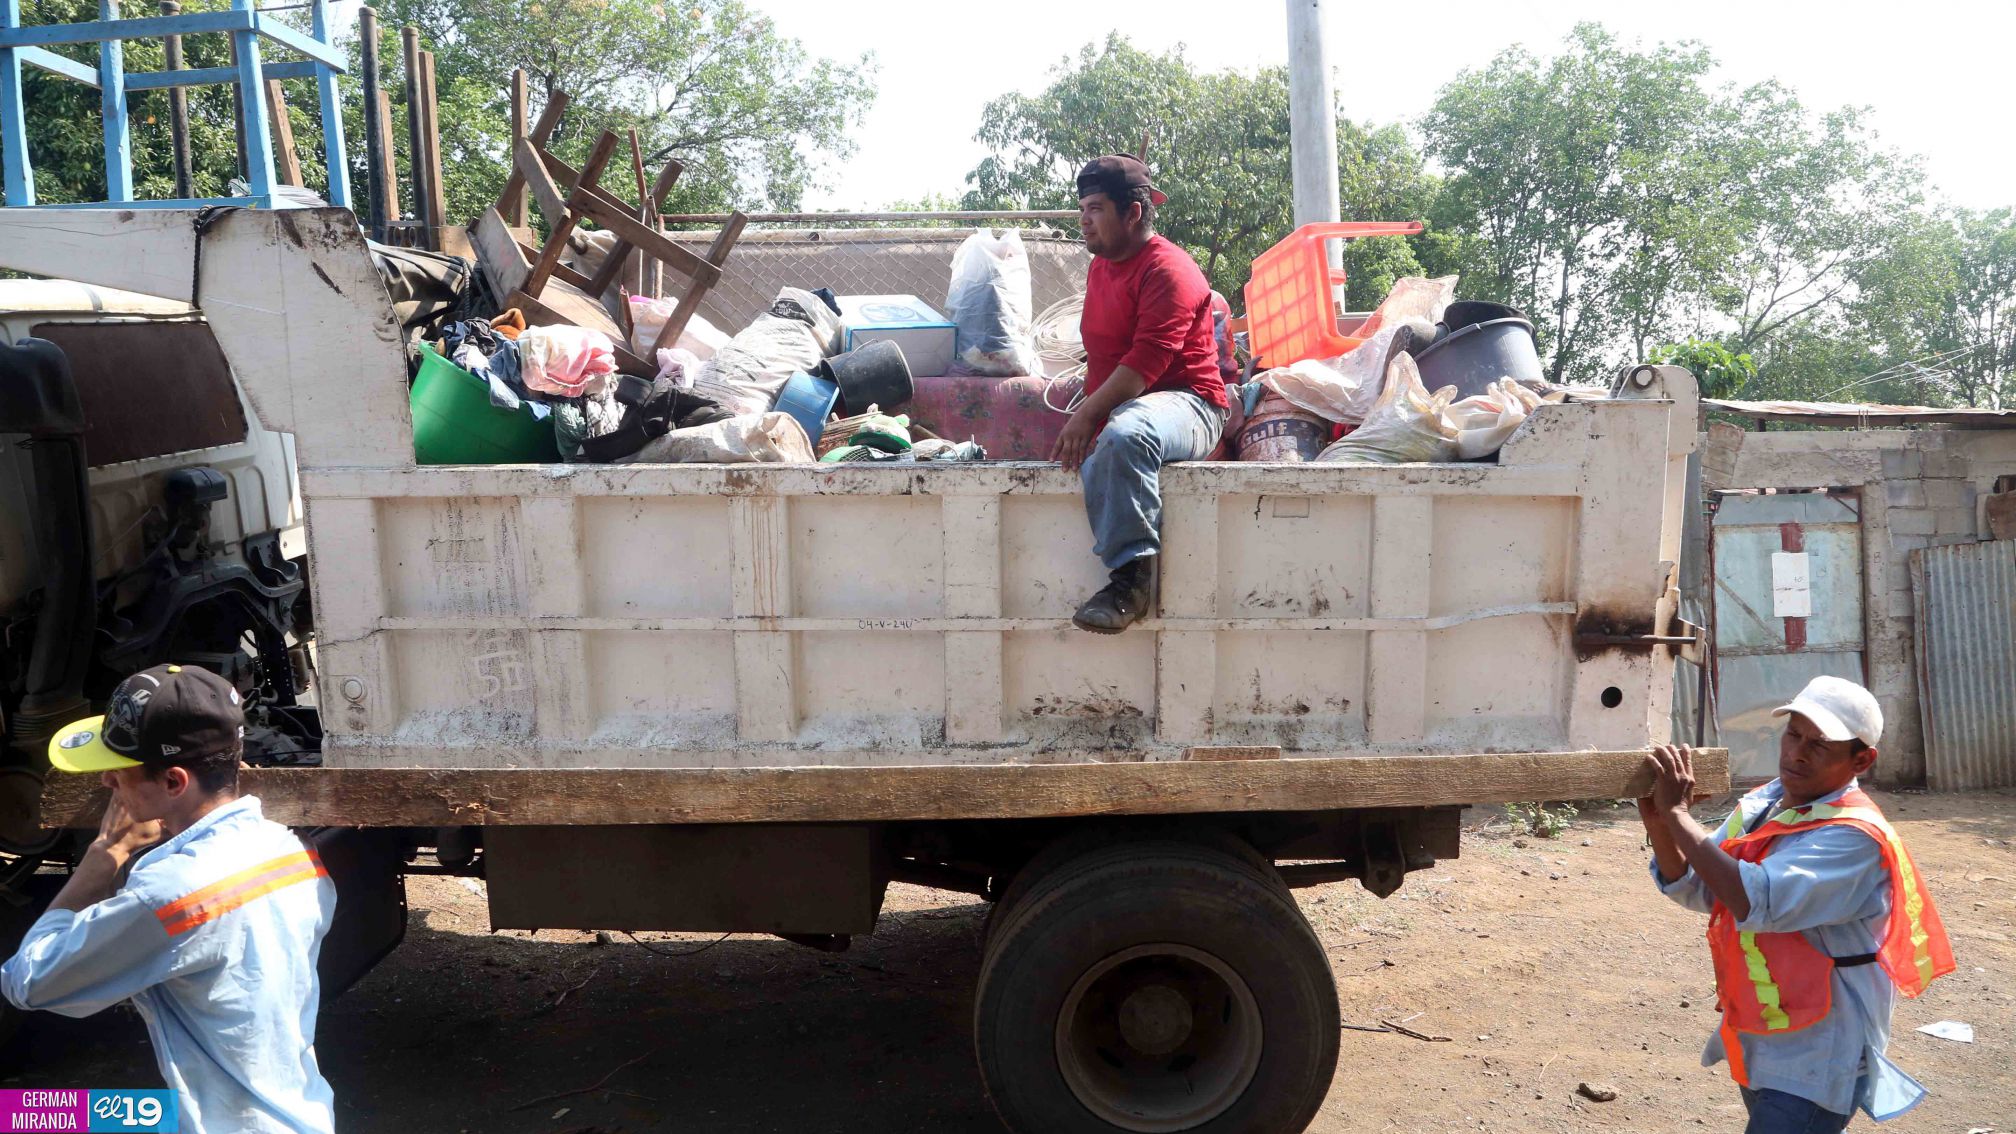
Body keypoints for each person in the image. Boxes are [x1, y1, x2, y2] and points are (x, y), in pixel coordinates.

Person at [2, 664, 337, 1134]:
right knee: (33, 1115)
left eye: (119, 772)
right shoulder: (292, 852)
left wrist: (105, 856)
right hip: (299, 1114)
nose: (106, 784)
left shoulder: (174, 893)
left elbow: (29, 982)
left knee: (21, 1115)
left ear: (174, 782)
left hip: (217, 1124)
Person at [1638, 675, 1955, 1132]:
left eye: (1819, 745)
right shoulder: (1766, 803)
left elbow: (1752, 898)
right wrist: (1661, 827)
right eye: (1793, 734)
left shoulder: (1854, 837)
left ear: (1861, 759)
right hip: (1765, 1026)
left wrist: (1678, 815)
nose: (1796, 753)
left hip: (1821, 1047)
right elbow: (1706, 891)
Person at [1051, 154, 1229, 633]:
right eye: (1082, 208)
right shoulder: (1102, 268)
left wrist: (1089, 417)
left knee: (1128, 434)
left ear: (1133, 213)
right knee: (1110, 432)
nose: (1083, 219)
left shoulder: (1169, 270)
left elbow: (1145, 365)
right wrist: (1087, 417)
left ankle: (1131, 582)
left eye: (1096, 208)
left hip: (1190, 404)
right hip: (1132, 403)